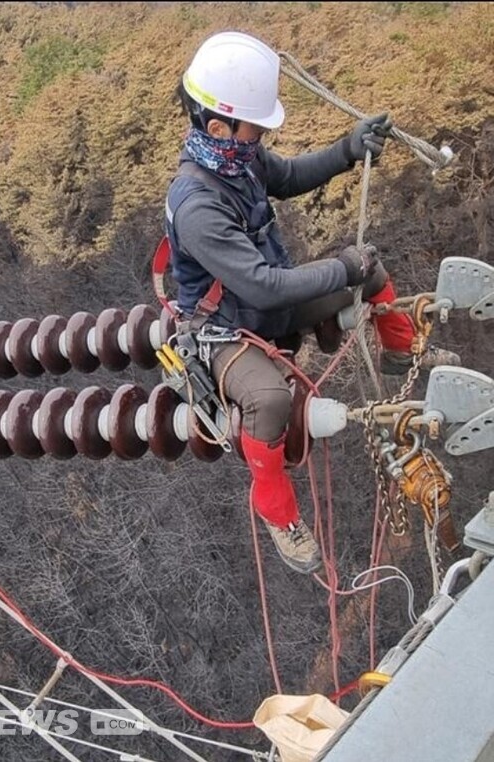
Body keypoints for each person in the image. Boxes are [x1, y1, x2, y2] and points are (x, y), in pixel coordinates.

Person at [164, 31, 459, 573]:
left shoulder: (240, 158)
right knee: (270, 400)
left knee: (369, 273)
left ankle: (400, 351)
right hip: (223, 330)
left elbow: (291, 175)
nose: (260, 136)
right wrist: (338, 269)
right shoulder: (198, 203)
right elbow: (260, 285)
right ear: (218, 126)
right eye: (255, 125)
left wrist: (348, 150)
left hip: (266, 302)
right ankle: (278, 512)